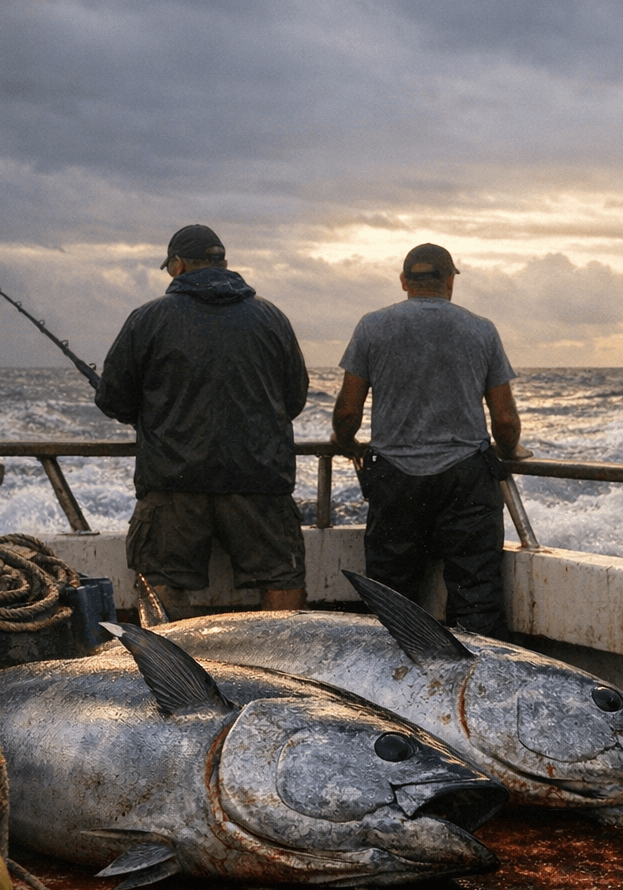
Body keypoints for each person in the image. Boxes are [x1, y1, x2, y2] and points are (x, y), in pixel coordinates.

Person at [96, 224, 310, 619]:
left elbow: (113, 398)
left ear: (177, 266)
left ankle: (172, 674)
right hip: (259, 481)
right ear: (223, 263)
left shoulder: (148, 319)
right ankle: (290, 671)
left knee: (160, 579)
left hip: (174, 483)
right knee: (282, 576)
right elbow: (294, 398)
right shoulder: (271, 318)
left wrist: (153, 416)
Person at [332, 243, 528, 639]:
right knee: (476, 597)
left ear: (404, 281)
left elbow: (348, 412)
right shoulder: (481, 329)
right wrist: (510, 451)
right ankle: (478, 687)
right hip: (466, 480)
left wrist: (344, 440)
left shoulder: (372, 326)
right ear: (450, 280)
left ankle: (388, 687)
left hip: (395, 478)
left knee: (391, 598)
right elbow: (505, 421)